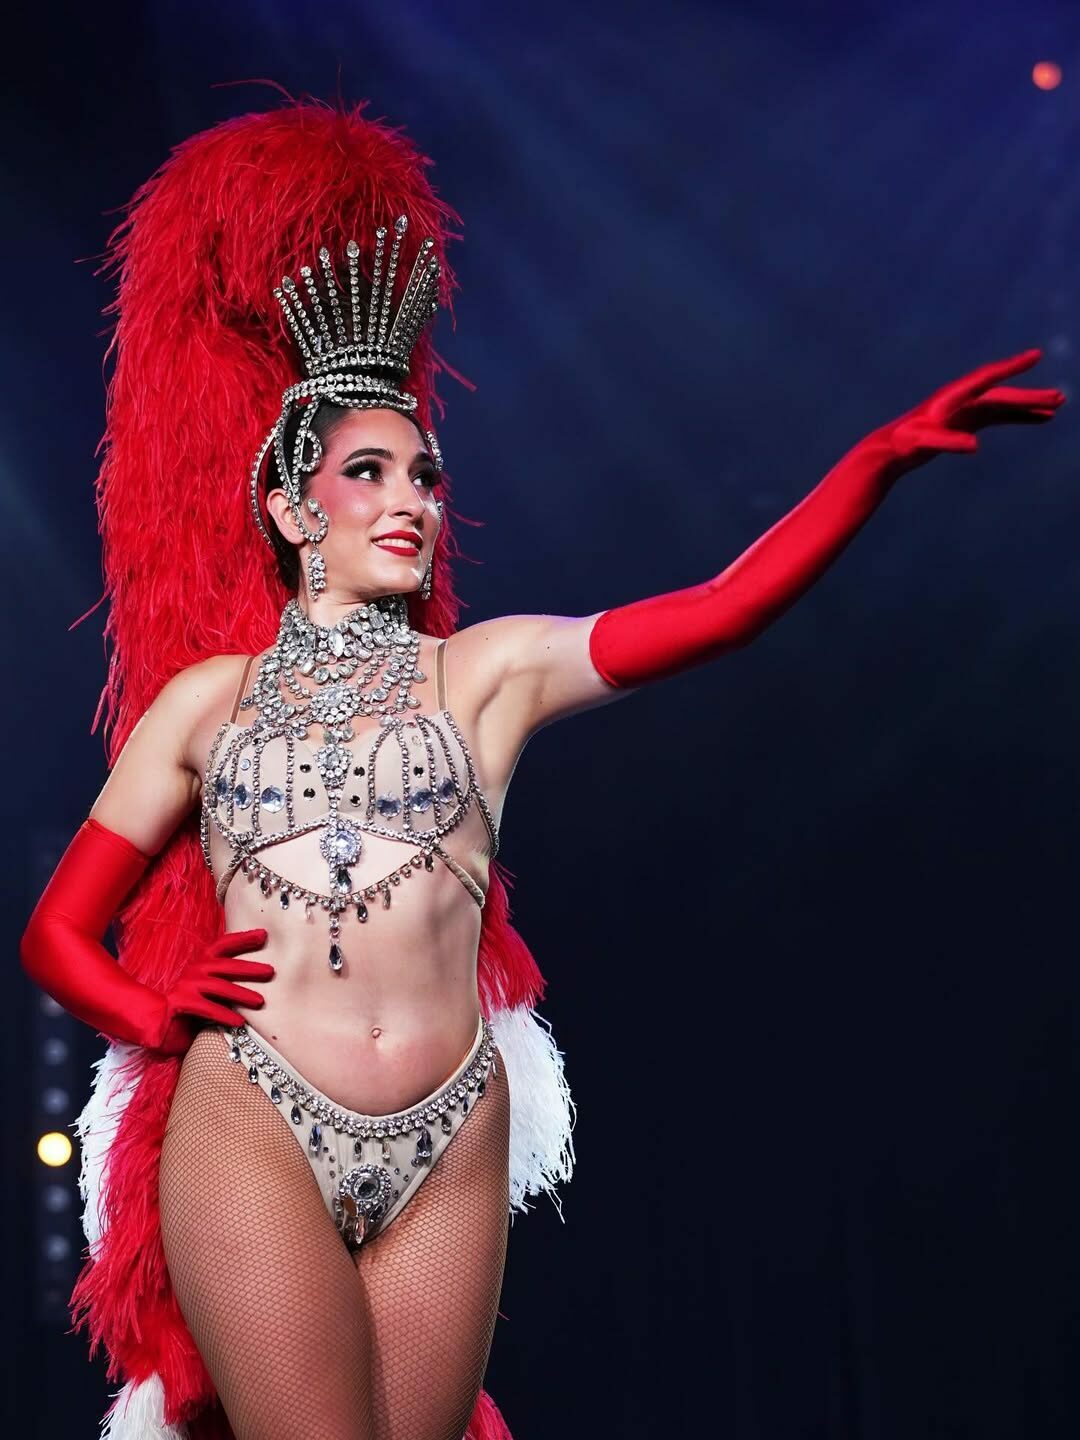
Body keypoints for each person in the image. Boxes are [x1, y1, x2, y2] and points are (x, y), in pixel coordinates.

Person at [19, 96, 1064, 1440]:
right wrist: (149, 1010)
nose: (412, 500)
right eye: (370, 472)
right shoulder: (203, 704)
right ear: (289, 507)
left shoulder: (488, 673)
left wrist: (872, 466)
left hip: (453, 1127)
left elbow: (720, 608)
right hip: (253, 1117)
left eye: (426, 475)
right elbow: (55, 933)